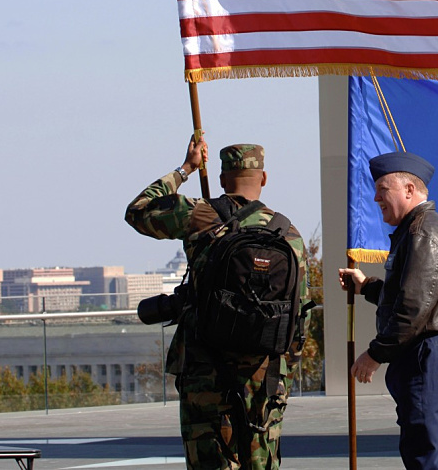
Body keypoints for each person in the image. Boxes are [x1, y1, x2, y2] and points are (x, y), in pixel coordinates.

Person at [125, 135, 306, 470]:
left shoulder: (200, 216)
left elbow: (138, 211)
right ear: (263, 179)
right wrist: (282, 374)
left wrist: (185, 169)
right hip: (266, 379)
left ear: (222, 180)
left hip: (206, 372)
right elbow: (299, 317)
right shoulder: (289, 235)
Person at [338, 151, 438, 470]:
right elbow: (411, 296)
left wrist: (375, 354)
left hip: (427, 358)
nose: (376, 196)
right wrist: (366, 286)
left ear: (409, 190)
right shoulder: (418, 231)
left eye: (383, 188)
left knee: (427, 453)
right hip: (432, 355)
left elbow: (412, 309)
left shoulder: (422, 234)